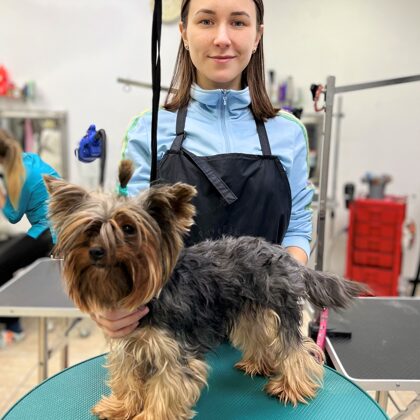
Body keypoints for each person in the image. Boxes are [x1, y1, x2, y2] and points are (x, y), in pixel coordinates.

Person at [91, 0, 314, 338]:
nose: (222, 38)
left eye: (238, 23)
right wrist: (109, 304)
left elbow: (296, 230)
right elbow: (124, 238)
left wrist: (278, 293)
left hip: (264, 332)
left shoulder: (289, 133)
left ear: (257, 36)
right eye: (206, 21)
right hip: (171, 333)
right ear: (184, 32)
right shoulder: (148, 130)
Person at [0, 128, 60, 345]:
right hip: (57, 228)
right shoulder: (30, 159)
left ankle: (13, 327)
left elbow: (13, 216)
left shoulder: (18, 174)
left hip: (49, 234)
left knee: (2, 264)